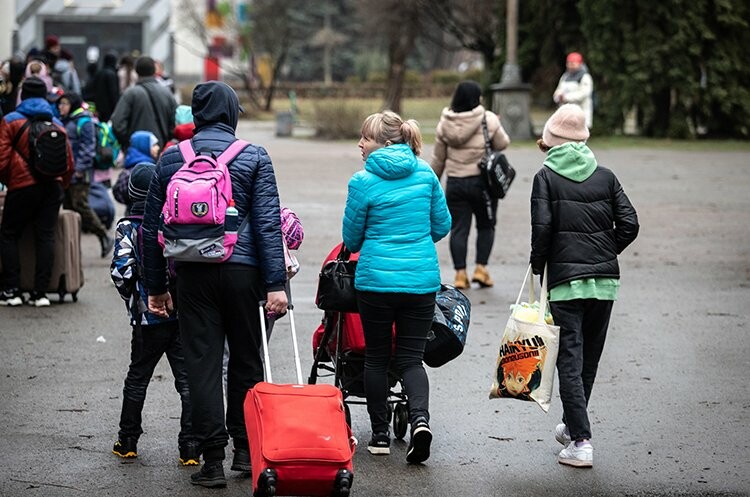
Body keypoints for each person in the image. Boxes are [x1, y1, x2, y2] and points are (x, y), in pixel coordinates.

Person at [141, 81, 288, 488]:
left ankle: (211, 463)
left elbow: (150, 228)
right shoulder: (254, 156)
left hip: (192, 275)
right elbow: (266, 224)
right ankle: (245, 449)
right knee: (246, 360)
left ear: (198, 113)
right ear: (233, 113)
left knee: (202, 367)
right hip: (244, 274)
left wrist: (156, 287)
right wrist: (275, 283)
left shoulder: (172, 158)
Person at [531, 104, 639, 468]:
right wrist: (605, 252)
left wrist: (537, 266)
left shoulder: (545, 177)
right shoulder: (606, 176)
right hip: (605, 283)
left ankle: (581, 441)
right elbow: (630, 224)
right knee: (587, 361)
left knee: (569, 360)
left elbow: (543, 230)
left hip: (565, 284)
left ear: (551, 142)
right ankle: (572, 426)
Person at [342, 110, 451, 463]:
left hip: (375, 281)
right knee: (410, 359)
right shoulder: (425, 174)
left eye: (366, 138)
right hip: (420, 282)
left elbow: (351, 238)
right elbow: (441, 226)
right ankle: (420, 421)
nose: (360, 144)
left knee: (376, 357)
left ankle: (379, 436)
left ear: (385, 143)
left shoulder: (363, 181)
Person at [110, 163, 199, 466]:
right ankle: (189, 447)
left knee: (138, 378)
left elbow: (121, 271)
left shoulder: (128, 227)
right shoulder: (173, 222)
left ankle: (128, 441)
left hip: (147, 319)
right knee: (187, 381)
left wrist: (134, 298)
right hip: (181, 315)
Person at [0, 77, 74, 306]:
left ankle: (12, 290)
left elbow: (1, 160)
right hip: (52, 187)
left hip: (22, 186)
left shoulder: (11, 120)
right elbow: (69, 162)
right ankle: (40, 293)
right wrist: (61, 185)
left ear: (23, 95)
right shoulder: (56, 122)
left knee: (9, 234)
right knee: (46, 236)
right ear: (44, 96)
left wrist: (9, 181)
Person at [430, 80, 511, 289]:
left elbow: (438, 159)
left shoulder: (444, 123)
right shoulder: (488, 119)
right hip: (482, 184)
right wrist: (496, 127)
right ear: (476, 98)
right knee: (486, 225)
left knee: (458, 229)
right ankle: (481, 270)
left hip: (455, 183)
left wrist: (432, 184)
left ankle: (460, 274)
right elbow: (503, 144)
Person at [57, 92, 113, 257]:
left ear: (72, 105)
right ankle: (70, 248)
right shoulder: (67, 121)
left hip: (80, 174)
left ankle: (103, 235)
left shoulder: (84, 121)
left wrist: (80, 169)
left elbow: (88, 148)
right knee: (69, 209)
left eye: (65, 104)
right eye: (60, 104)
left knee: (81, 206)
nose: (61, 107)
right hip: (67, 173)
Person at [111, 56, 176, 152]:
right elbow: (175, 123)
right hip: (161, 149)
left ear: (136, 71)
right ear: (154, 71)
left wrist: (128, 142)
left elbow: (117, 123)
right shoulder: (167, 93)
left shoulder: (130, 94)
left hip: (135, 150)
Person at [112, 130, 159, 211]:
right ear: (144, 146)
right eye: (154, 145)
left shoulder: (131, 162)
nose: (157, 147)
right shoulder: (143, 170)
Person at [553, 52, 594, 129]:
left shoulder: (585, 77)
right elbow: (558, 90)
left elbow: (584, 94)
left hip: (581, 112)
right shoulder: (565, 76)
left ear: (579, 64)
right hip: (566, 113)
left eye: (573, 63)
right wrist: (558, 97)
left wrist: (566, 97)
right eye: (569, 63)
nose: (570, 66)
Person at [91, 52, 120, 123]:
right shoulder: (112, 74)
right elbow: (113, 93)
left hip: (99, 107)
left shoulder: (99, 73)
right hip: (109, 108)